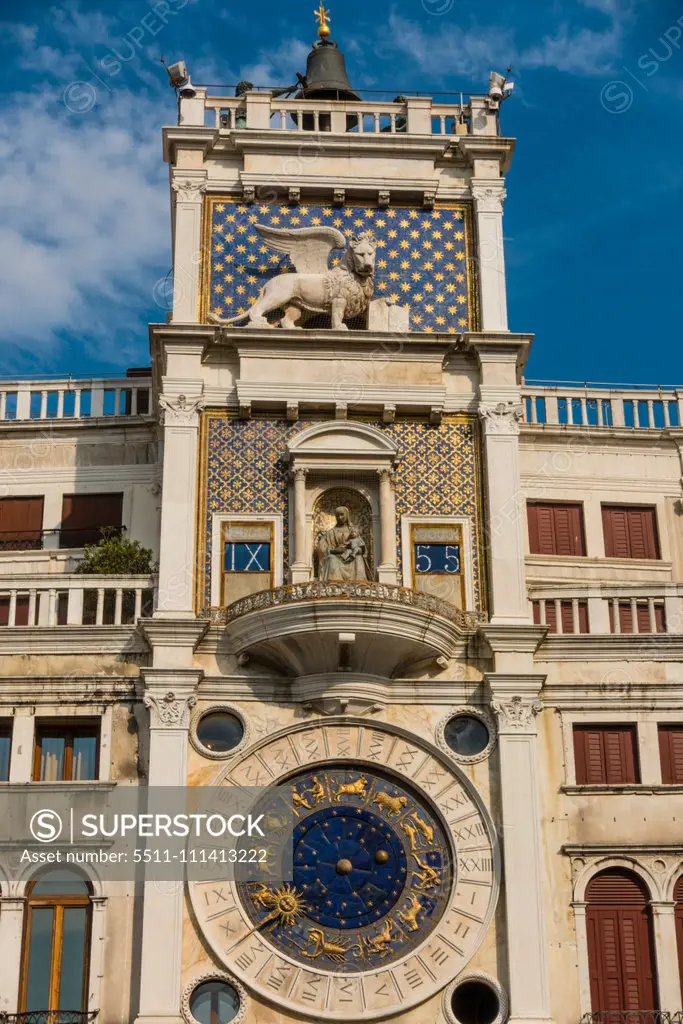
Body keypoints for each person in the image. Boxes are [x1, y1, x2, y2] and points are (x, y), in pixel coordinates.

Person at [316, 507, 369, 581]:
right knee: (331, 559)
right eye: (337, 515)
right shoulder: (331, 532)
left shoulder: (353, 531)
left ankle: (360, 585)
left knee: (358, 558)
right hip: (336, 556)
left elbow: (361, 546)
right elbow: (321, 547)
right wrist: (333, 551)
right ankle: (334, 586)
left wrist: (355, 550)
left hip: (351, 556)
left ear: (346, 515)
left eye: (342, 515)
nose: (339, 517)